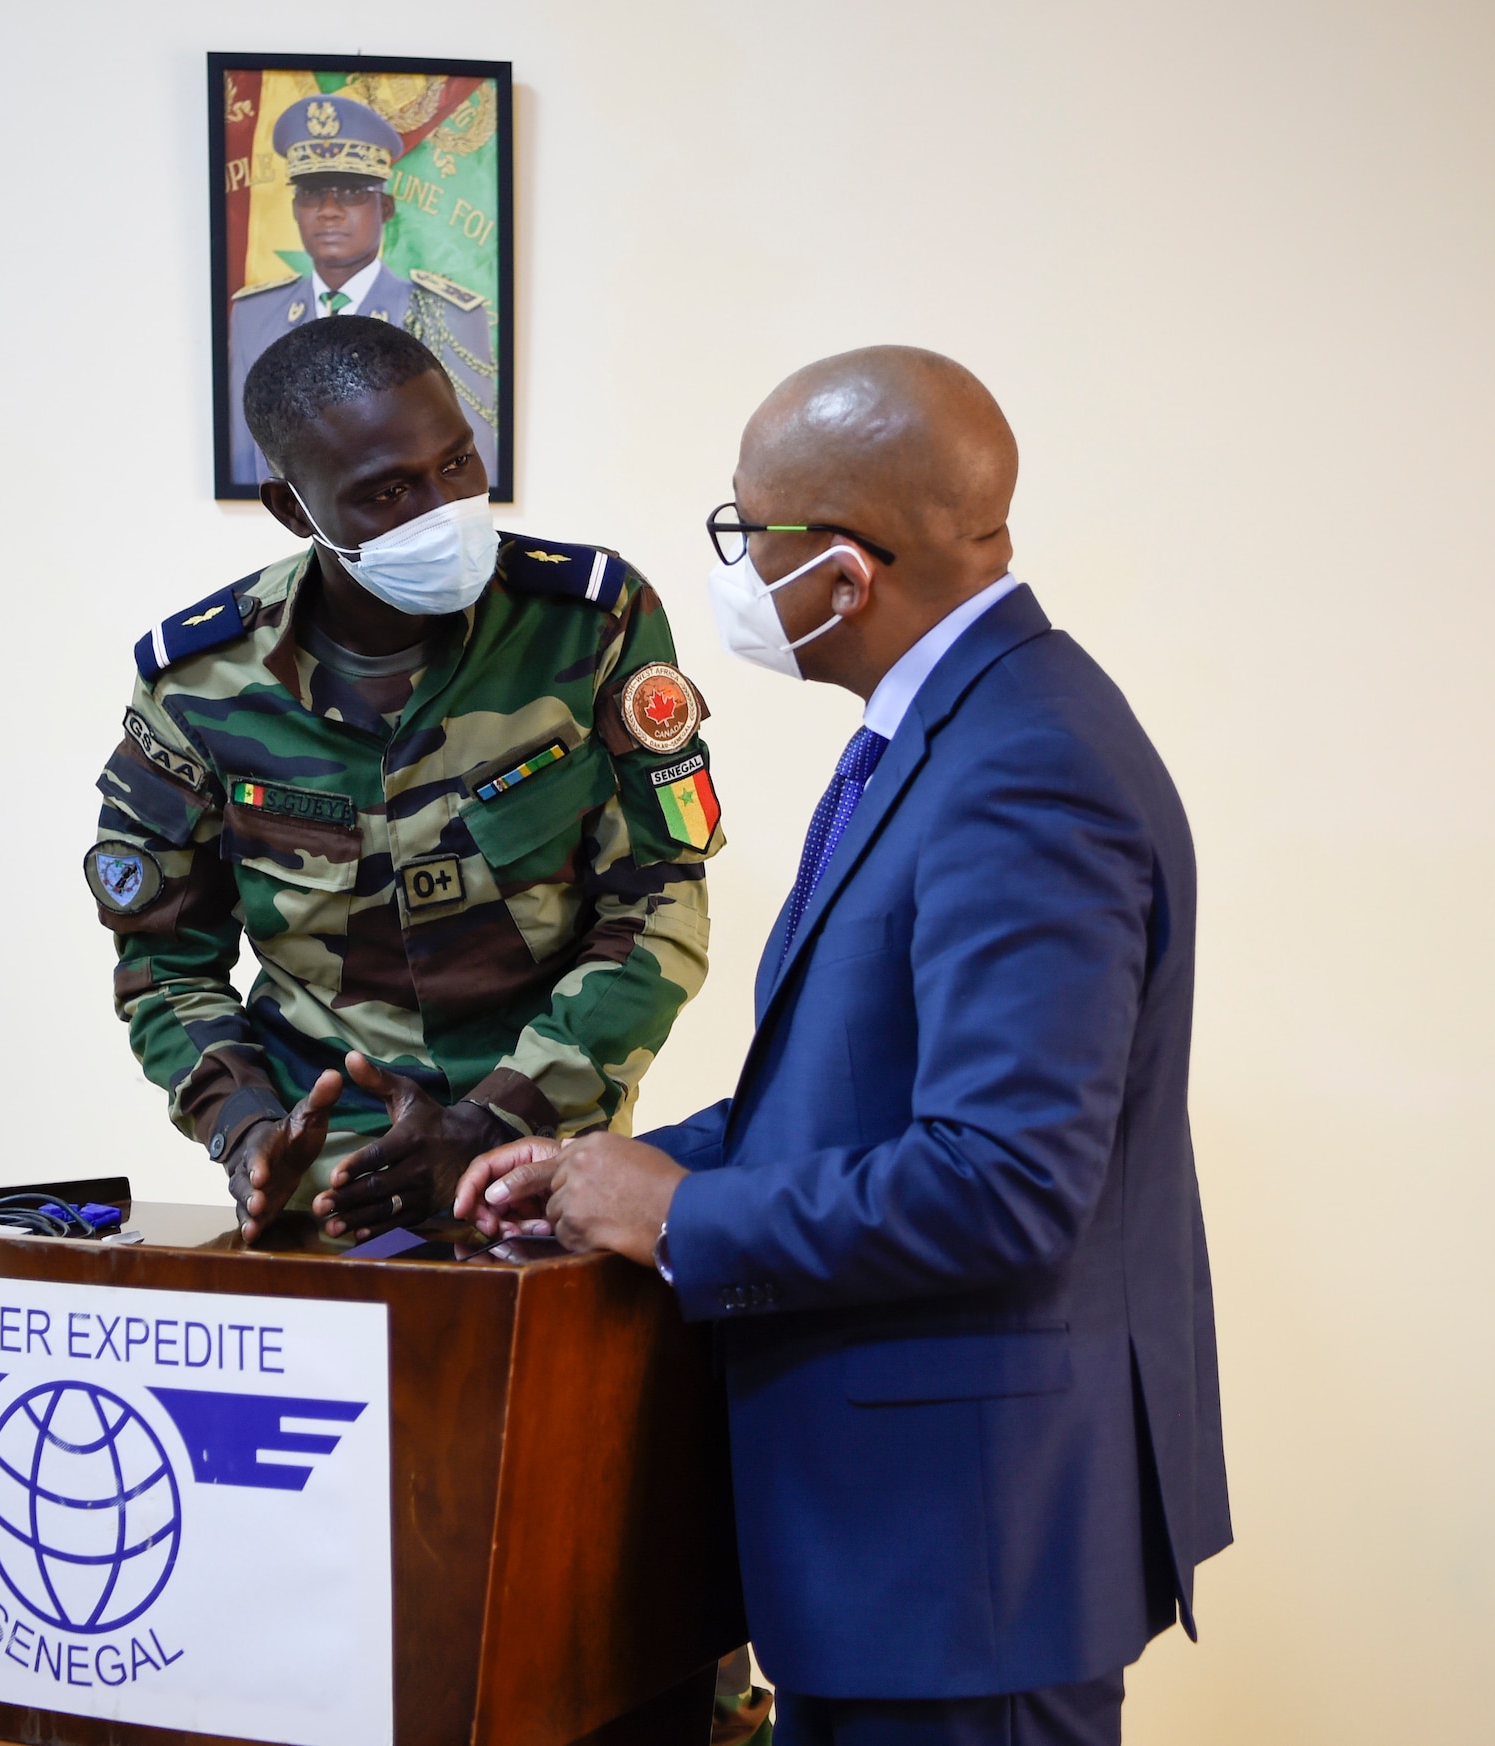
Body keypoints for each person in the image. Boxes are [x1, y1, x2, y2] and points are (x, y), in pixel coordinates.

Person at [458, 347, 1231, 1745]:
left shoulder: (1026, 768)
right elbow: (852, 1090)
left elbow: (1004, 1179)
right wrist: (607, 1166)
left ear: (845, 572)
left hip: (962, 1558)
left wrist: (689, 1212)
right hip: (904, 1544)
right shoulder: (952, 726)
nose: (737, 568)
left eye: (746, 534)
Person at [87, 315, 720, 1246]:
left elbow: (660, 899)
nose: (444, 508)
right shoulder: (202, 682)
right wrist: (252, 1133)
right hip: (333, 1183)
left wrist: (492, 1120)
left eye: (458, 463)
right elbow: (163, 963)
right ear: (293, 508)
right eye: (388, 490)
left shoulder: (587, 624)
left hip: (546, 1165)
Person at [227, 92, 498, 489]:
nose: (329, 210)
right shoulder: (255, 313)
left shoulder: (444, 314)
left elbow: (473, 469)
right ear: (294, 210)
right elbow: (242, 463)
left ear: (385, 209)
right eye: (312, 193)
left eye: (352, 193)